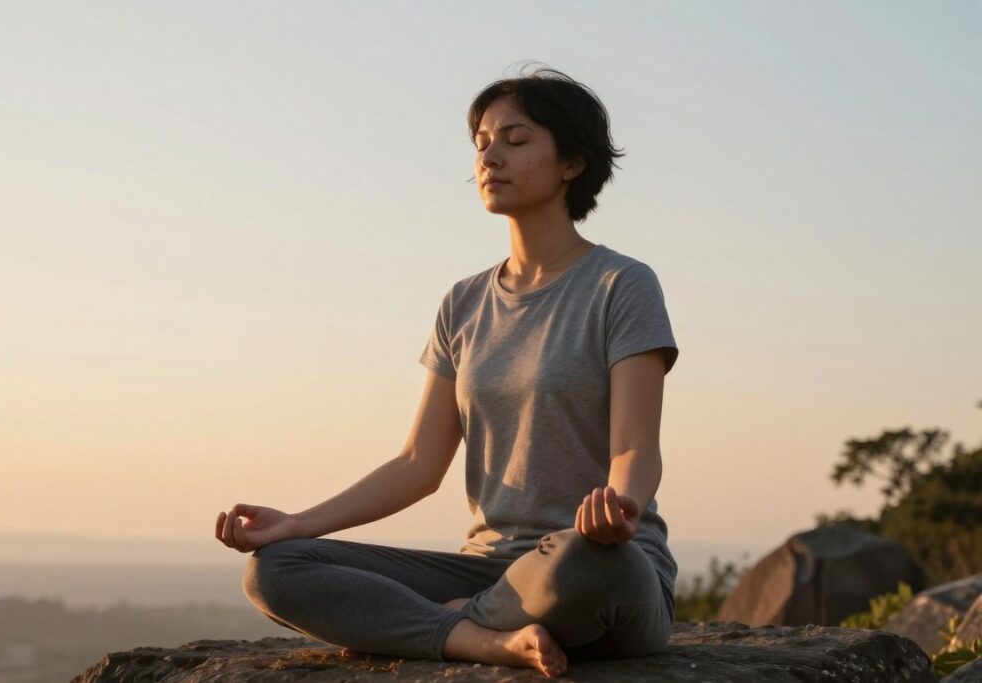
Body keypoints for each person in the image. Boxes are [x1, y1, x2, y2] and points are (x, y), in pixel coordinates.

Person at [215, 66, 680, 679]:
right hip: (488, 566)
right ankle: (482, 638)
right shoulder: (463, 303)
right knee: (278, 568)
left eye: (516, 141)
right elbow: (416, 465)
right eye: (482, 142)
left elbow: (636, 446)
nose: (491, 156)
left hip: (596, 561)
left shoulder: (621, 285)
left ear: (572, 163)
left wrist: (619, 506)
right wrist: (299, 523)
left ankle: (450, 621)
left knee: (585, 563)